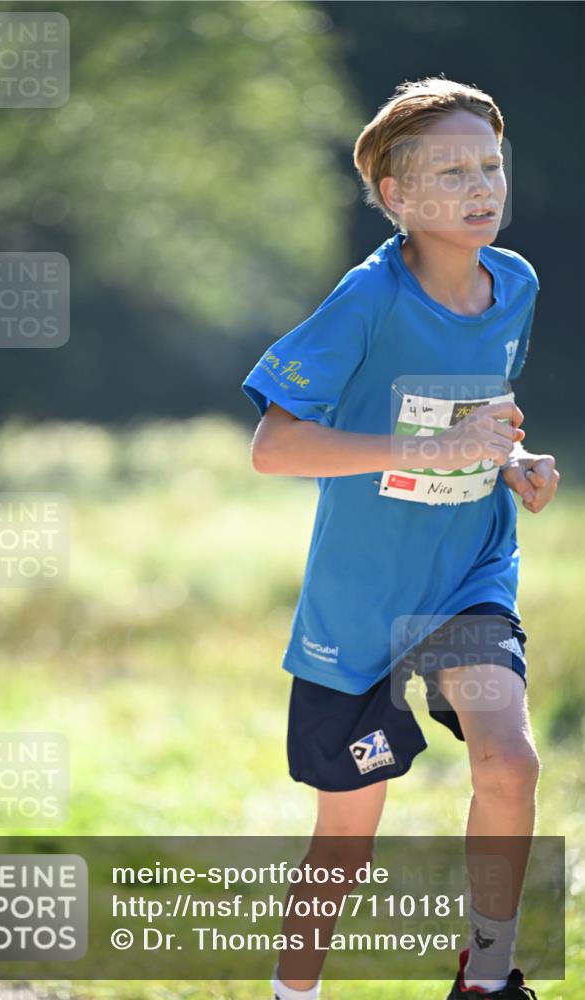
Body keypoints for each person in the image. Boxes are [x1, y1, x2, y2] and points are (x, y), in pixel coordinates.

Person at [240, 77, 560, 1000]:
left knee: (509, 759)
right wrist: (433, 444)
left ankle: (486, 978)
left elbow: (479, 418)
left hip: (467, 574)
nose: (481, 185)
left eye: (491, 164)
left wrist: (512, 459)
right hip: (357, 602)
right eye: (453, 170)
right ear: (396, 196)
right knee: (345, 841)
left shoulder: (516, 285)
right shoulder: (366, 298)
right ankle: (291, 992)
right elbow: (274, 448)